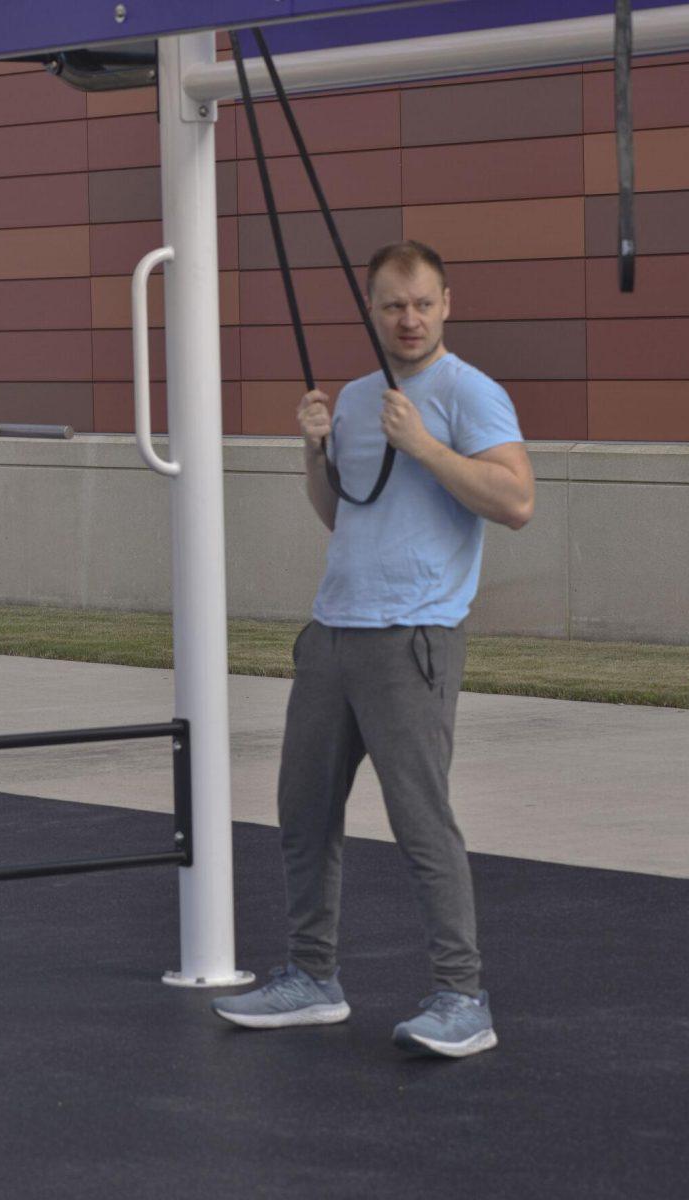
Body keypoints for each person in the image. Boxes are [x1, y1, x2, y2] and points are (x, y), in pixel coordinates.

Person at [213, 240, 534, 1057]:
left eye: (423, 302)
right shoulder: (357, 398)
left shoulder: (470, 393)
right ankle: (312, 979)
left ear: (447, 303)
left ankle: (463, 999)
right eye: (393, 304)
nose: (410, 318)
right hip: (333, 633)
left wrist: (425, 445)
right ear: (372, 310)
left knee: (422, 824)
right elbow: (342, 513)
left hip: (413, 636)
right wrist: (316, 449)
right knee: (304, 817)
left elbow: (517, 501)